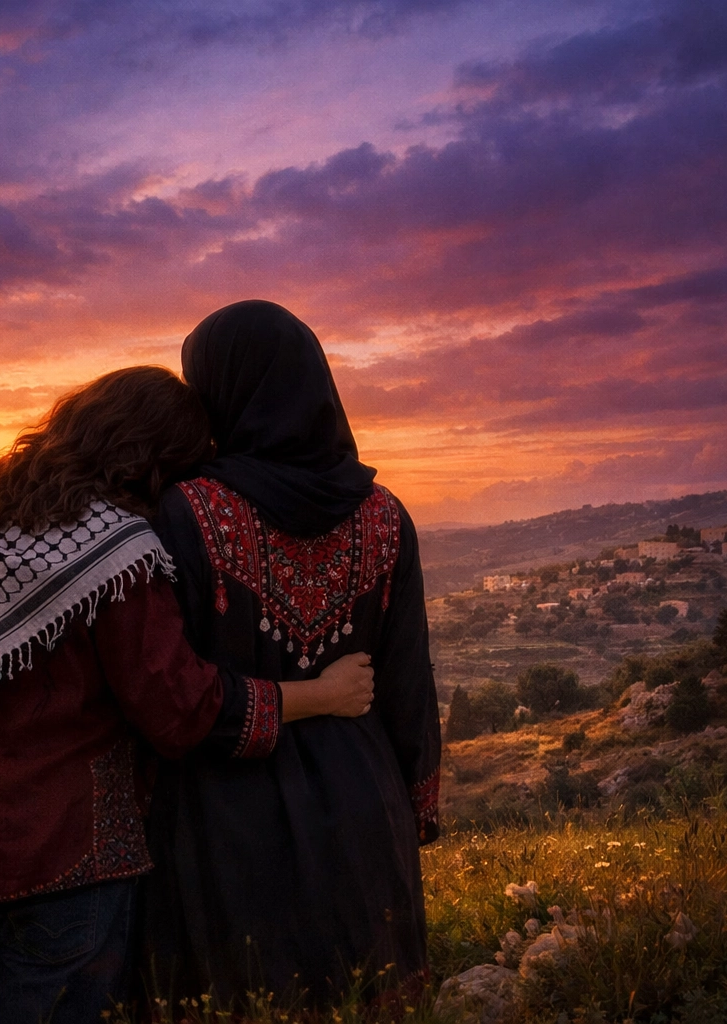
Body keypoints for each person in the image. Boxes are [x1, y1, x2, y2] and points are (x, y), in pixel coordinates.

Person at [0, 365, 377, 1024]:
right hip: (63, 860)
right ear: (158, 460)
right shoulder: (117, 555)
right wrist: (321, 694)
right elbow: (182, 711)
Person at [139, 300, 443, 1009]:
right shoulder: (384, 517)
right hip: (363, 803)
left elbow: (167, 683)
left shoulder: (187, 511)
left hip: (223, 817)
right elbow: (407, 683)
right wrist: (415, 807)